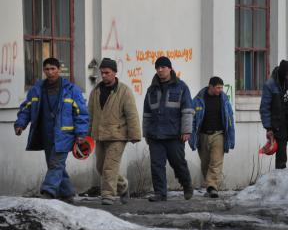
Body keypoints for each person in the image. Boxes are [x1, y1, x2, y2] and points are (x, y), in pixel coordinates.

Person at [14, 57, 89, 203]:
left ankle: (48, 192)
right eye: (47, 69)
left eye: (53, 69)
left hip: (64, 134)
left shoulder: (71, 90)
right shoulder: (37, 89)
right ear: (43, 71)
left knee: (56, 163)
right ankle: (67, 192)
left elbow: (81, 113)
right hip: (45, 134)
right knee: (55, 164)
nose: (50, 72)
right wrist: (20, 124)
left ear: (59, 70)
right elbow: (26, 108)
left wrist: (81, 133)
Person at [88, 58, 141, 205]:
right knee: (100, 167)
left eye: (107, 72)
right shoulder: (96, 91)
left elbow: (132, 114)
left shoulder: (124, 91)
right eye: (102, 73)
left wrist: (135, 134)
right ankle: (122, 185)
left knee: (110, 167)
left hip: (118, 135)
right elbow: (90, 114)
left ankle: (108, 195)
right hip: (100, 135)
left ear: (114, 73)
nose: (104, 75)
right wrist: (86, 134)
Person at [143, 56, 194, 202]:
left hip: (174, 134)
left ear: (170, 69)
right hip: (155, 135)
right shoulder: (151, 90)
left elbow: (187, 110)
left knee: (178, 163)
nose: (160, 70)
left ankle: (187, 185)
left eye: (163, 67)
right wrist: (145, 133)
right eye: (157, 68)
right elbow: (147, 113)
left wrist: (186, 130)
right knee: (157, 165)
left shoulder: (181, 87)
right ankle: (160, 193)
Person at [189, 76, 235, 198]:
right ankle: (209, 187)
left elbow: (230, 119)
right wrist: (191, 136)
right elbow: (192, 119)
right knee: (205, 163)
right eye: (218, 87)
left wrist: (231, 137)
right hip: (202, 135)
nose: (220, 90)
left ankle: (213, 186)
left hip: (218, 134)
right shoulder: (198, 100)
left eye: (221, 88)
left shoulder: (224, 100)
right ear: (210, 86)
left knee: (216, 161)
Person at [259, 60, 288, 169]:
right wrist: (268, 128)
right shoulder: (270, 85)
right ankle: (280, 184)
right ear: (282, 73)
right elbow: (264, 108)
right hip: (279, 125)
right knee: (281, 158)